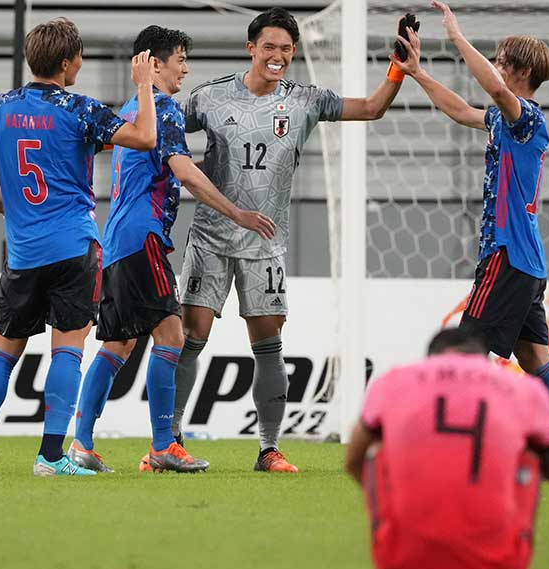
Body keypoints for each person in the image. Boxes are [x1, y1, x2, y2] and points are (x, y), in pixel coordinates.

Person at [172, 7, 410, 472]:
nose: (277, 56)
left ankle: (268, 448)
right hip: (211, 237)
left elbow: (371, 108)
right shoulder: (209, 98)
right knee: (191, 336)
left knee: (268, 342)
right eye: (269, 47)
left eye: (285, 49)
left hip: (266, 244)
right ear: (251, 48)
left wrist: (399, 69)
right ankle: (171, 439)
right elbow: (162, 130)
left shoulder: (306, 100)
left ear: (293, 52)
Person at [391, 0, 549, 470]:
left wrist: (455, 36)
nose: (496, 67)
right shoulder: (505, 120)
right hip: (526, 259)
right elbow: (463, 110)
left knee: (465, 348)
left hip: (506, 253)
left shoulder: (526, 116)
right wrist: (417, 73)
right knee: (534, 357)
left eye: (503, 61)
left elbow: (488, 85)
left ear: (521, 70)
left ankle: (472, 442)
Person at [67, 26, 276, 474]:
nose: (186, 67)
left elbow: (170, 164)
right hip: (144, 238)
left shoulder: (133, 110)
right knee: (172, 335)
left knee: (118, 344)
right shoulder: (164, 107)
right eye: (180, 59)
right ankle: (164, 444)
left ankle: (80, 444)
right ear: (155, 64)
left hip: (118, 240)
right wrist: (237, 213)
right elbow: (184, 172)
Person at [0, 18, 158, 477]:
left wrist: (11, 212)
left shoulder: (1, 108)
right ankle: (49, 456)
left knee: (0, 353)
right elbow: (145, 137)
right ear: (67, 62)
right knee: (67, 351)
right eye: (80, 56)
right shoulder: (79, 109)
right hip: (72, 248)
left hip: (22, 253)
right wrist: (144, 86)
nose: (81, 63)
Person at [345, 327, 549, 569]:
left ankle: (402, 538)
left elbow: (353, 460)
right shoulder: (524, 388)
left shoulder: (393, 382)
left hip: (400, 568)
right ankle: (504, 545)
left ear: (431, 358)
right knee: (530, 453)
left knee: (376, 452)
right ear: (482, 357)